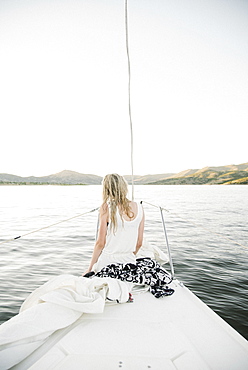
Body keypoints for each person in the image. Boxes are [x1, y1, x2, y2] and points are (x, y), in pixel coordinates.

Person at [84, 174, 145, 275]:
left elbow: (100, 243)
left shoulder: (105, 207)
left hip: (108, 264)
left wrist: (90, 268)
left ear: (106, 189)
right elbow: (139, 243)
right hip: (129, 265)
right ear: (123, 186)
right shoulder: (139, 207)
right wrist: (128, 257)